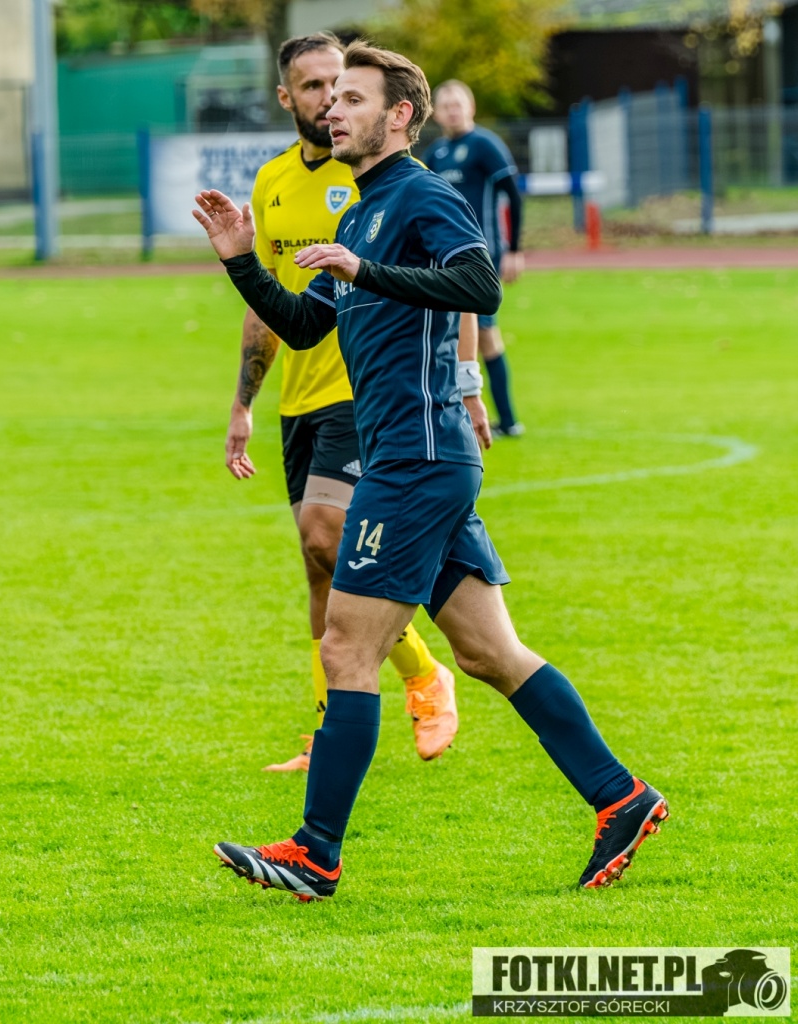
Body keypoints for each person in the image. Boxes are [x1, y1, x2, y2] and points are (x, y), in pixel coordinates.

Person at [193, 41, 667, 900]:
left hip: (413, 461)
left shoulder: (418, 193)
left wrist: (366, 270)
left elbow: (480, 283)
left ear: (399, 115)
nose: (332, 109)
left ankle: (314, 852)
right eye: (328, 97)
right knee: (489, 653)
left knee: (346, 645)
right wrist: (238, 258)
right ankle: (620, 797)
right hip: (418, 458)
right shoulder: (358, 212)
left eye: (352, 98)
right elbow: (303, 326)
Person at [229, 32, 466, 772]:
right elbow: (281, 312)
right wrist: (243, 400)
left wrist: (467, 382)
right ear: (286, 97)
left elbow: (463, 283)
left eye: (342, 89)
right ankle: (330, 728)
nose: (329, 102)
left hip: (365, 396)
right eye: (315, 89)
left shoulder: (389, 181)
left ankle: (420, 678)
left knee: (326, 537)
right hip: (299, 396)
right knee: (319, 565)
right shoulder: (276, 183)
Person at [424, 80, 525, 436]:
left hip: (482, 256)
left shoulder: (484, 144)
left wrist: (514, 250)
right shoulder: (435, 154)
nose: (453, 111)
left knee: (484, 334)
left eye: (458, 104)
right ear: (435, 113)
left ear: (471, 107)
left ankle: (506, 420)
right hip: (443, 256)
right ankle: (469, 414)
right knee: (453, 334)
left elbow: (514, 196)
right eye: (446, 105)